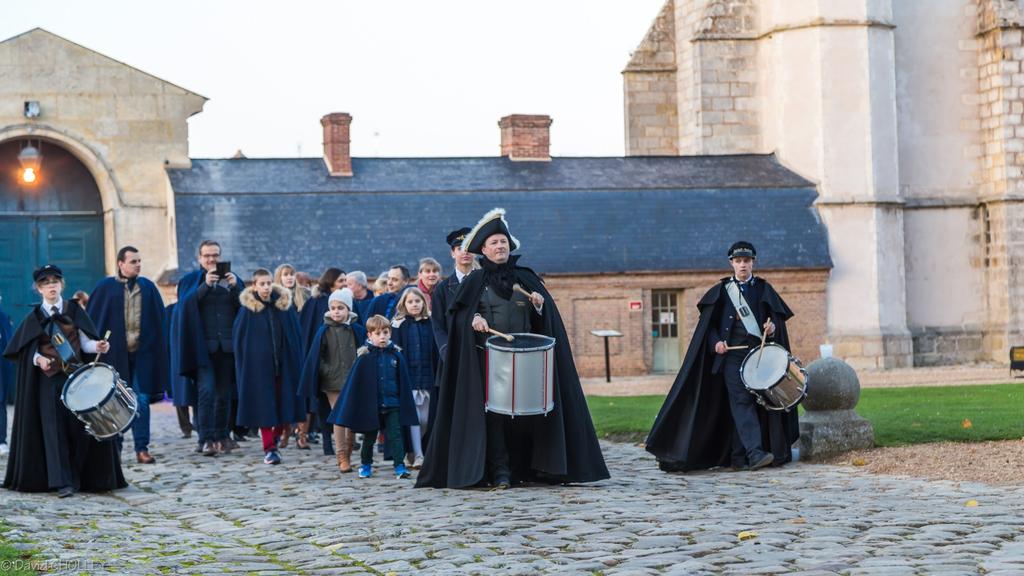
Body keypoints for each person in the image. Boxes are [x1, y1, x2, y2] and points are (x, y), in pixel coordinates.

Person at [416, 208, 609, 489]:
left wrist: (541, 309)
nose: (500, 246)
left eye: (503, 242)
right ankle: (500, 471)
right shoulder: (473, 283)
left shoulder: (526, 279)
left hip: (527, 360)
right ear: (483, 249)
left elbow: (546, 323)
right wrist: (474, 319)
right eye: (494, 243)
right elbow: (457, 319)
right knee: (494, 417)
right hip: (487, 362)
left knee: (527, 416)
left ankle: (529, 467)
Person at [646, 241, 799, 472]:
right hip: (732, 359)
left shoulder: (764, 289)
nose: (743, 265)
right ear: (731, 263)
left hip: (759, 356)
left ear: (752, 262)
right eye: (738, 261)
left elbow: (776, 321)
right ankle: (755, 453)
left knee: (762, 405)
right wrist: (716, 342)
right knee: (741, 402)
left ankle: (739, 457)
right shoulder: (723, 290)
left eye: (746, 261)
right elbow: (709, 327)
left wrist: (772, 329)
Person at [2, 264, 126, 497]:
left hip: (78, 379)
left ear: (61, 285)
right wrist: (39, 360)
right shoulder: (34, 318)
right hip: (49, 382)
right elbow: (25, 351)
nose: (51, 286)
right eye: (45, 283)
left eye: (55, 282)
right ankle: (62, 482)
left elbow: (86, 343)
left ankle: (83, 477)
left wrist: (99, 346)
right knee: (53, 431)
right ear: (38, 289)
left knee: (80, 428)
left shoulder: (75, 310)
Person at [87, 246, 168, 464]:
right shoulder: (106, 288)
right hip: (115, 357)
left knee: (140, 401)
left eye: (139, 261)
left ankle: (142, 448)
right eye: (133, 261)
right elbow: (92, 320)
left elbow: (159, 322)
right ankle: (116, 447)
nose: (138, 264)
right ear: (120, 264)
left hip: (142, 356)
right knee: (116, 403)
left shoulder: (147, 288)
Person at [171, 240, 242, 456]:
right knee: (206, 392)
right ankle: (205, 438)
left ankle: (222, 435)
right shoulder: (190, 280)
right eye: (207, 256)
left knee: (224, 394)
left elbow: (246, 307)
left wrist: (236, 288)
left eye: (215, 255)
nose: (212, 259)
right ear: (199, 258)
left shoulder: (233, 279)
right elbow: (184, 307)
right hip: (202, 348)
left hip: (227, 347)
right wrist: (205, 286)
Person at [327, 315, 417, 479]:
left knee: (396, 436)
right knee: (369, 437)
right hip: (371, 406)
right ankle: (366, 464)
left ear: (390, 333)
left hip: (392, 403)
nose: (382, 336)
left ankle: (399, 466)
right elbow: (355, 385)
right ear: (369, 335)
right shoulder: (364, 357)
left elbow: (403, 381)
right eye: (378, 333)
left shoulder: (396, 356)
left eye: (385, 332)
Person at [233, 269, 305, 465]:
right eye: (262, 284)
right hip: (259, 369)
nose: (266, 287)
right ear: (254, 285)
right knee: (265, 407)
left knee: (285, 405)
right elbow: (241, 342)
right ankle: (269, 448)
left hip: (284, 366)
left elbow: (294, 336)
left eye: (268, 283)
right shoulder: (248, 311)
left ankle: (275, 437)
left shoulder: (283, 307)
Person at [298, 288, 366, 473]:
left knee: (351, 418)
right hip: (332, 382)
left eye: (340, 308)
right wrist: (328, 371)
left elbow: (364, 353)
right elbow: (316, 358)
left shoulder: (357, 330)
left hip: (353, 380)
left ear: (348, 309)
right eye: (333, 307)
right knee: (339, 417)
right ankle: (341, 456)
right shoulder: (324, 331)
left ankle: (350, 450)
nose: (336, 311)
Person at [298, 267, 346, 453]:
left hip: (341, 360)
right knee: (323, 402)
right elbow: (308, 332)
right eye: (341, 280)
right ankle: (327, 440)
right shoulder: (316, 302)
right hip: (322, 359)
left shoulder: (345, 302)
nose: (344, 284)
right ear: (331, 281)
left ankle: (342, 441)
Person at [390, 287, 437, 469]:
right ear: (404, 304)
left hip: (427, 378)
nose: (414, 305)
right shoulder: (399, 325)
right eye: (410, 302)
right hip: (410, 378)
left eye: (417, 301)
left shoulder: (430, 323)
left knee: (425, 419)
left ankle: (416, 449)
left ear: (423, 303)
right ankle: (418, 455)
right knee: (414, 418)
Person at [273, 263, 311, 447]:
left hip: (303, 348)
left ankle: (302, 434)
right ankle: (285, 430)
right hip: (283, 351)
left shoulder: (304, 295)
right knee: (285, 392)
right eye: (285, 274)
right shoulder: (274, 297)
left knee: (304, 392)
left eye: (291, 274)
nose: (289, 277)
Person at [0, 293, 15, 456]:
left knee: (0, 402)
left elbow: (8, 345)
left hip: (0, 370)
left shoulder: (2, 318)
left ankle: (1, 440)